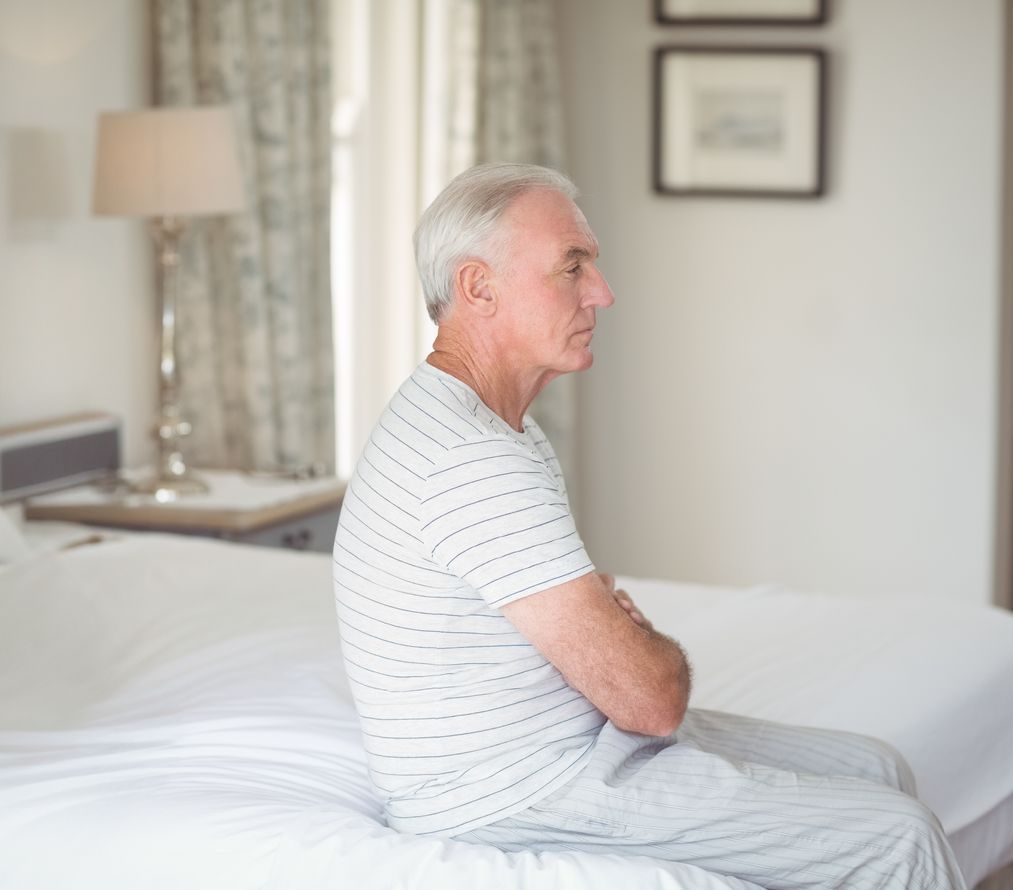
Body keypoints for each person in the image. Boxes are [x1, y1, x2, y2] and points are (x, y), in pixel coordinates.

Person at [332, 162, 967, 890]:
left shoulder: (492, 427)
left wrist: (606, 629)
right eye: (572, 267)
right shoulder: (471, 458)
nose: (601, 292)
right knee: (900, 840)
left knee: (879, 765)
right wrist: (625, 634)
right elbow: (651, 699)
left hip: (570, 740)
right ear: (479, 288)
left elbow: (586, 642)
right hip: (510, 793)